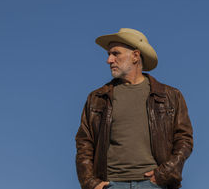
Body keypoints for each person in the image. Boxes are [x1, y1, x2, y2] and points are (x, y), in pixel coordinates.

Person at [75, 28, 193, 189]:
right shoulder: (97, 98)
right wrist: (90, 183)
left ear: (136, 56)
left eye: (116, 54)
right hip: (110, 184)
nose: (109, 60)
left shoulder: (170, 96)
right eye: (109, 54)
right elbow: (84, 143)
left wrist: (165, 173)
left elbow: (184, 139)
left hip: (154, 185)